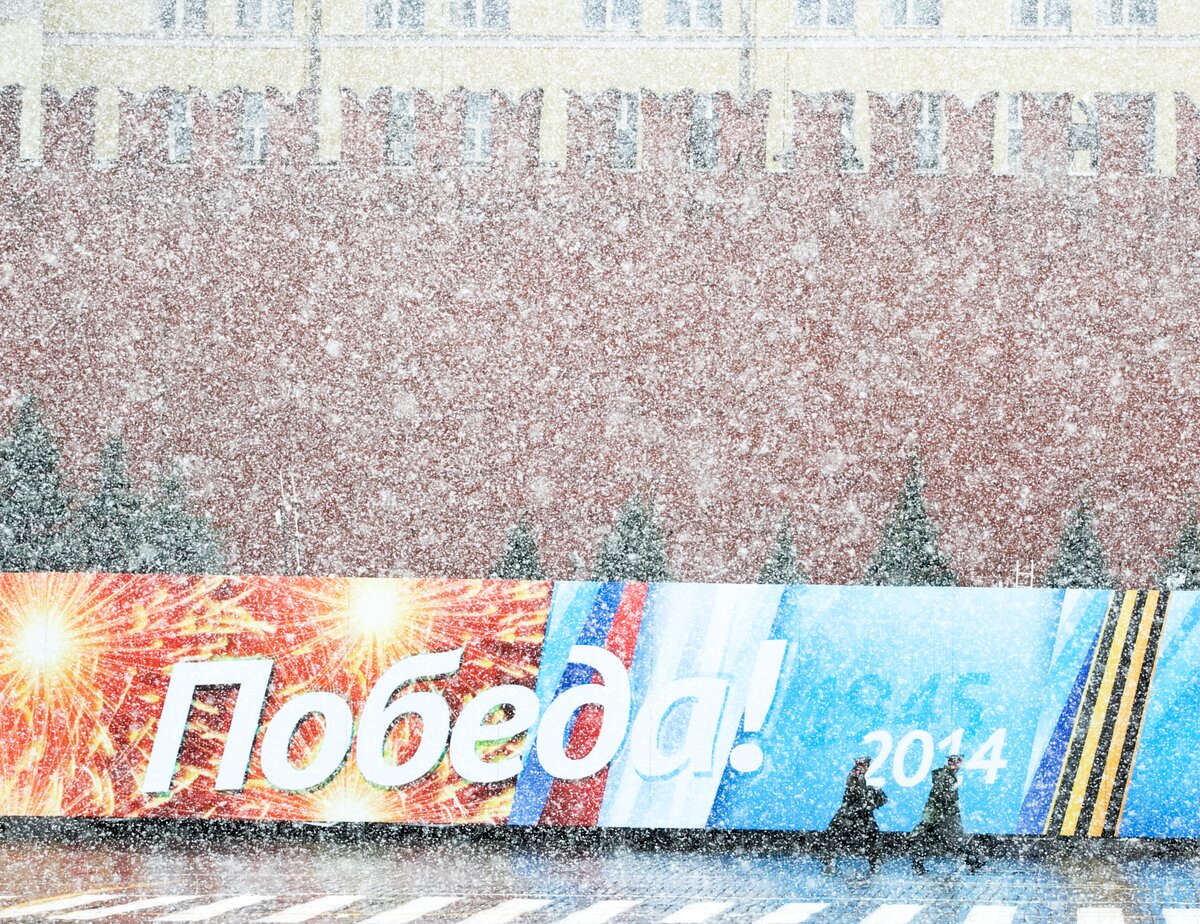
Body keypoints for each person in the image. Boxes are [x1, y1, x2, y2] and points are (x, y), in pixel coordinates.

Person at [910, 754, 985, 874]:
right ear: (949, 762)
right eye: (953, 761)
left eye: (958, 761)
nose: (956, 764)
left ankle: (917, 864)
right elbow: (941, 797)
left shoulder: (948, 775)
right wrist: (945, 814)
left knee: (932, 839)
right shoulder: (945, 776)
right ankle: (972, 862)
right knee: (954, 839)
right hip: (942, 815)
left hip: (940, 815)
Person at [822, 756, 887, 874]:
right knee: (833, 835)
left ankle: (875, 864)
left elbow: (876, 798)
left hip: (858, 814)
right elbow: (854, 794)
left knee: (871, 838)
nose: (863, 767)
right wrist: (868, 801)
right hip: (851, 813)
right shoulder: (855, 775)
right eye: (861, 765)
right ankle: (829, 862)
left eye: (864, 765)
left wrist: (870, 801)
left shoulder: (862, 778)